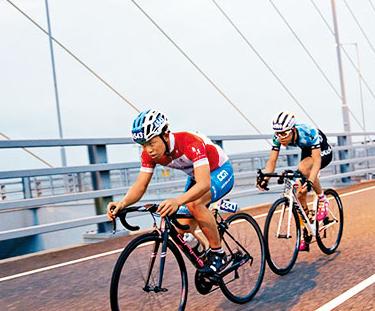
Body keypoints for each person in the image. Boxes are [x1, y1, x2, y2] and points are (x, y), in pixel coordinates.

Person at [107, 110, 234, 273]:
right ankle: (205, 256)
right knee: (181, 231)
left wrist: (177, 201)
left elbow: (203, 184)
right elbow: (140, 186)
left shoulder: (189, 142)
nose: (148, 149)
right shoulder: (149, 154)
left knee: (195, 204)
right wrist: (122, 203)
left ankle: (218, 254)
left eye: (151, 143)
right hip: (196, 174)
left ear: (165, 135)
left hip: (219, 171)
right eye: (143, 145)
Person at [256, 111, 333, 251]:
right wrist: (265, 178)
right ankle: (306, 229)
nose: (281, 138)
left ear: (293, 130)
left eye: (284, 134)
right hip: (306, 149)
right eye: (278, 134)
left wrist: (310, 181)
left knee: (304, 168)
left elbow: (316, 162)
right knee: (299, 192)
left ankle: (322, 198)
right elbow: (272, 160)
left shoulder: (308, 132)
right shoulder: (278, 136)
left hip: (322, 151)